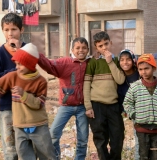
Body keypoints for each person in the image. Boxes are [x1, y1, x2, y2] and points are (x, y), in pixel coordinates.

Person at [0, 43, 56, 160]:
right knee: (24, 156)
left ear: (30, 64)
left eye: (20, 64)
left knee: (47, 155)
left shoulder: (41, 81)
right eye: (16, 63)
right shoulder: (12, 77)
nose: (17, 67)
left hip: (39, 125)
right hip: (19, 127)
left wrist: (24, 94)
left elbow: (39, 104)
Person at [38, 37, 90, 160]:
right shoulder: (65, 63)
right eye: (77, 48)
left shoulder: (91, 64)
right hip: (66, 106)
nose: (81, 50)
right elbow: (49, 65)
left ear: (88, 50)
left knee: (83, 139)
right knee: (53, 135)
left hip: (83, 107)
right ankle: (55, 157)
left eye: (84, 48)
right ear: (72, 49)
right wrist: (38, 56)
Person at [83, 31, 125, 160]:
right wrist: (88, 106)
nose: (104, 48)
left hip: (113, 105)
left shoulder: (117, 60)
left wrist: (110, 62)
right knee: (100, 139)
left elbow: (120, 80)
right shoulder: (93, 62)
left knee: (117, 137)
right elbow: (86, 84)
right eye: (100, 46)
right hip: (97, 106)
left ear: (110, 43)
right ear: (96, 47)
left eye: (106, 44)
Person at [0, 13, 26, 160]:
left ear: (21, 30)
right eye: (6, 30)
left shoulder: (28, 50)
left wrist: (20, 54)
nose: (10, 33)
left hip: (27, 106)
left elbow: (32, 75)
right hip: (7, 107)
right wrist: (16, 71)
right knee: (11, 150)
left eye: (14, 29)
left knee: (27, 147)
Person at [123, 53, 157, 160]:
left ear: (153, 68)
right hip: (142, 129)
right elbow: (127, 103)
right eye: (140, 69)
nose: (143, 72)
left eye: (146, 68)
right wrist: (134, 114)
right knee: (143, 155)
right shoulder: (135, 87)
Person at [117, 49, 140, 160]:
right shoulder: (119, 77)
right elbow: (120, 95)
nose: (125, 62)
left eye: (128, 59)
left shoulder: (139, 74)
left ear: (133, 60)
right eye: (122, 60)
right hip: (129, 111)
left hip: (142, 110)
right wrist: (124, 110)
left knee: (140, 138)